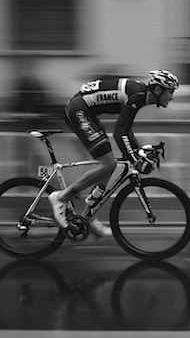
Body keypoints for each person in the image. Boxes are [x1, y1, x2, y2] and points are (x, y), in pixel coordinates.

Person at [49, 69, 179, 237]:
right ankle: (62, 197)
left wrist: (137, 151)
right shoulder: (137, 97)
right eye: (170, 92)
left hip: (87, 111)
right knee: (108, 163)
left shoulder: (139, 96)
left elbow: (126, 130)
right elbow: (120, 133)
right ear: (158, 90)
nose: (172, 97)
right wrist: (135, 158)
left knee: (109, 165)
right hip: (79, 109)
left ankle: (88, 216)